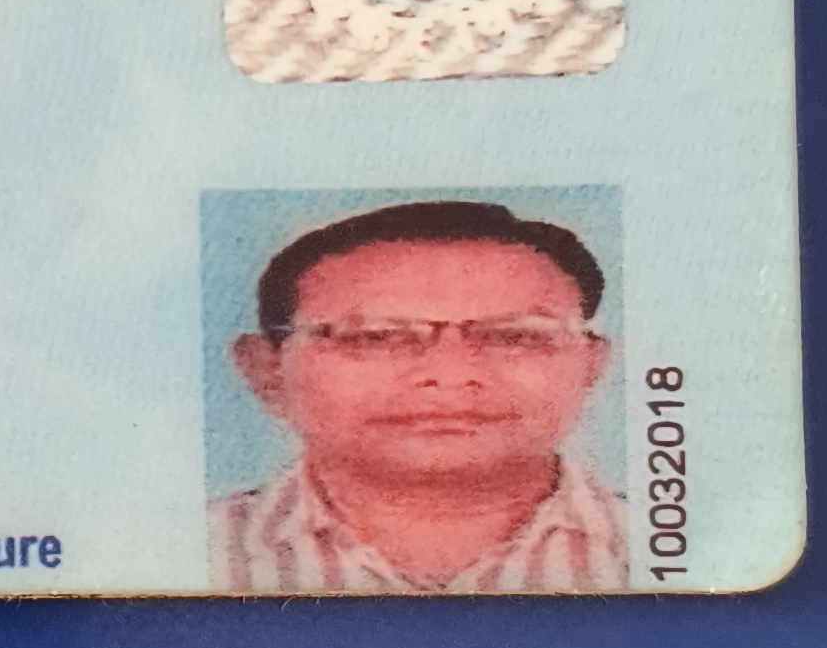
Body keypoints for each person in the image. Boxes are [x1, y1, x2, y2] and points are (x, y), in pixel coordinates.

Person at [209, 200, 629, 595]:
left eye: (515, 337)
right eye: (377, 337)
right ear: (266, 369)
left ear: (592, 364)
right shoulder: (190, 548)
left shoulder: (659, 543)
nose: (450, 376)